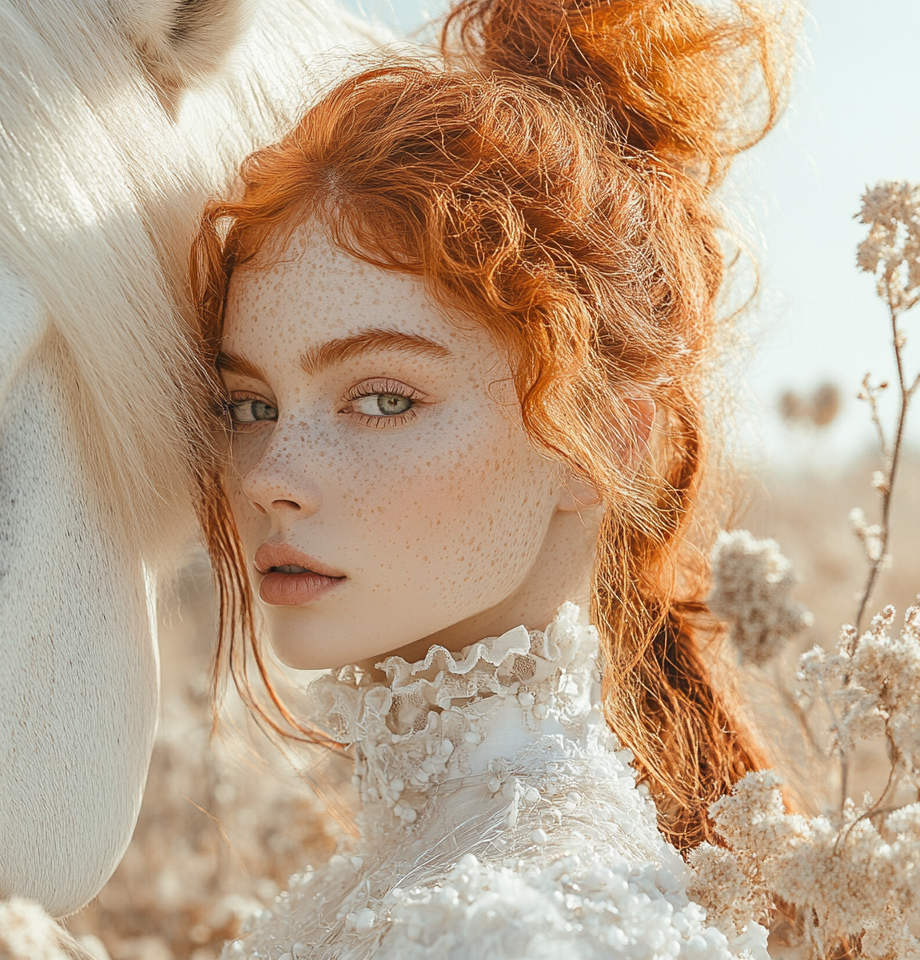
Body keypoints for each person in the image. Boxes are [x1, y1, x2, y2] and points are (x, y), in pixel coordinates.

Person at [190, 0, 792, 956]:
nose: (272, 476)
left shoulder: (539, 921)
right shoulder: (406, 886)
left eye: (382, 399)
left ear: (607, 441)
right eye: (249, 406)